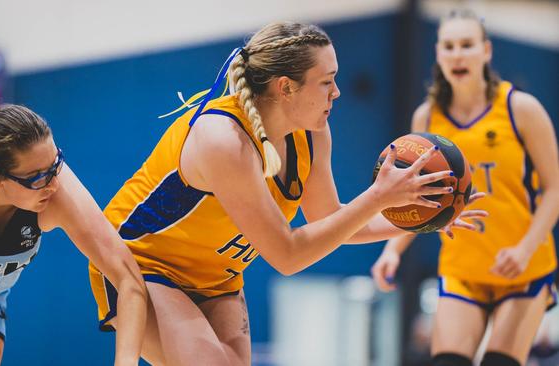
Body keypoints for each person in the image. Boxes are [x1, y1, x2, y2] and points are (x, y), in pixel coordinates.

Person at [89, 21, 482, 366]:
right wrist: (379, 197)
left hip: (215, 276)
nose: (338, 93)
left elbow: (330, 222)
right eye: (327, 81)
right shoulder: (223, 140)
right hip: (141, 260)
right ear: (286, 88)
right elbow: (288, 255)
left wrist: (419, 219)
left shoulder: (312, 132)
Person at [371, 9, 559, 366]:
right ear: (438, 53)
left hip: (523, 268)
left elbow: (554, 190)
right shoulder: (426, 118)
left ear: (486, 51)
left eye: (467, 45)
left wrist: (523, 249)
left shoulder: (520, 109)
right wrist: (392, 251)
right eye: (450, 46)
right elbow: (416, 197)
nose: (458, 54)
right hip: (462, 269)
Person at [0, 105, 147, 366]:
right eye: (37, 178)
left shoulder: (57, 195)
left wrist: (126, 361)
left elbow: (128, 278)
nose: (54, 184)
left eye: (55, 164)